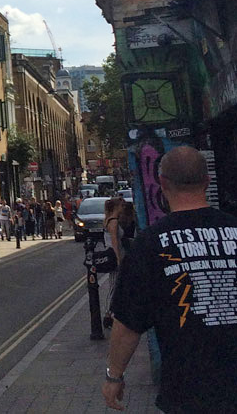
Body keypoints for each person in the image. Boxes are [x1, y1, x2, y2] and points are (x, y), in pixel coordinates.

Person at [102, 146, 237, 412]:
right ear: (207, 181)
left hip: (188, 395)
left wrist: (114, 376)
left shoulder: (149, 245)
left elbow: (128, 323)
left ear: (162, 183)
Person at [101, 196, 126, 328]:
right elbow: (115, 242)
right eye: (122, 206)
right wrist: (118, 259)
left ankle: (113, 313)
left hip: (112, 253)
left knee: (116, 285)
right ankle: (108, 315)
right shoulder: (114, 222)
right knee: (114, 286)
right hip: (115, 255)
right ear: (117, 207)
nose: (123, 209)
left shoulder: (108, 220)